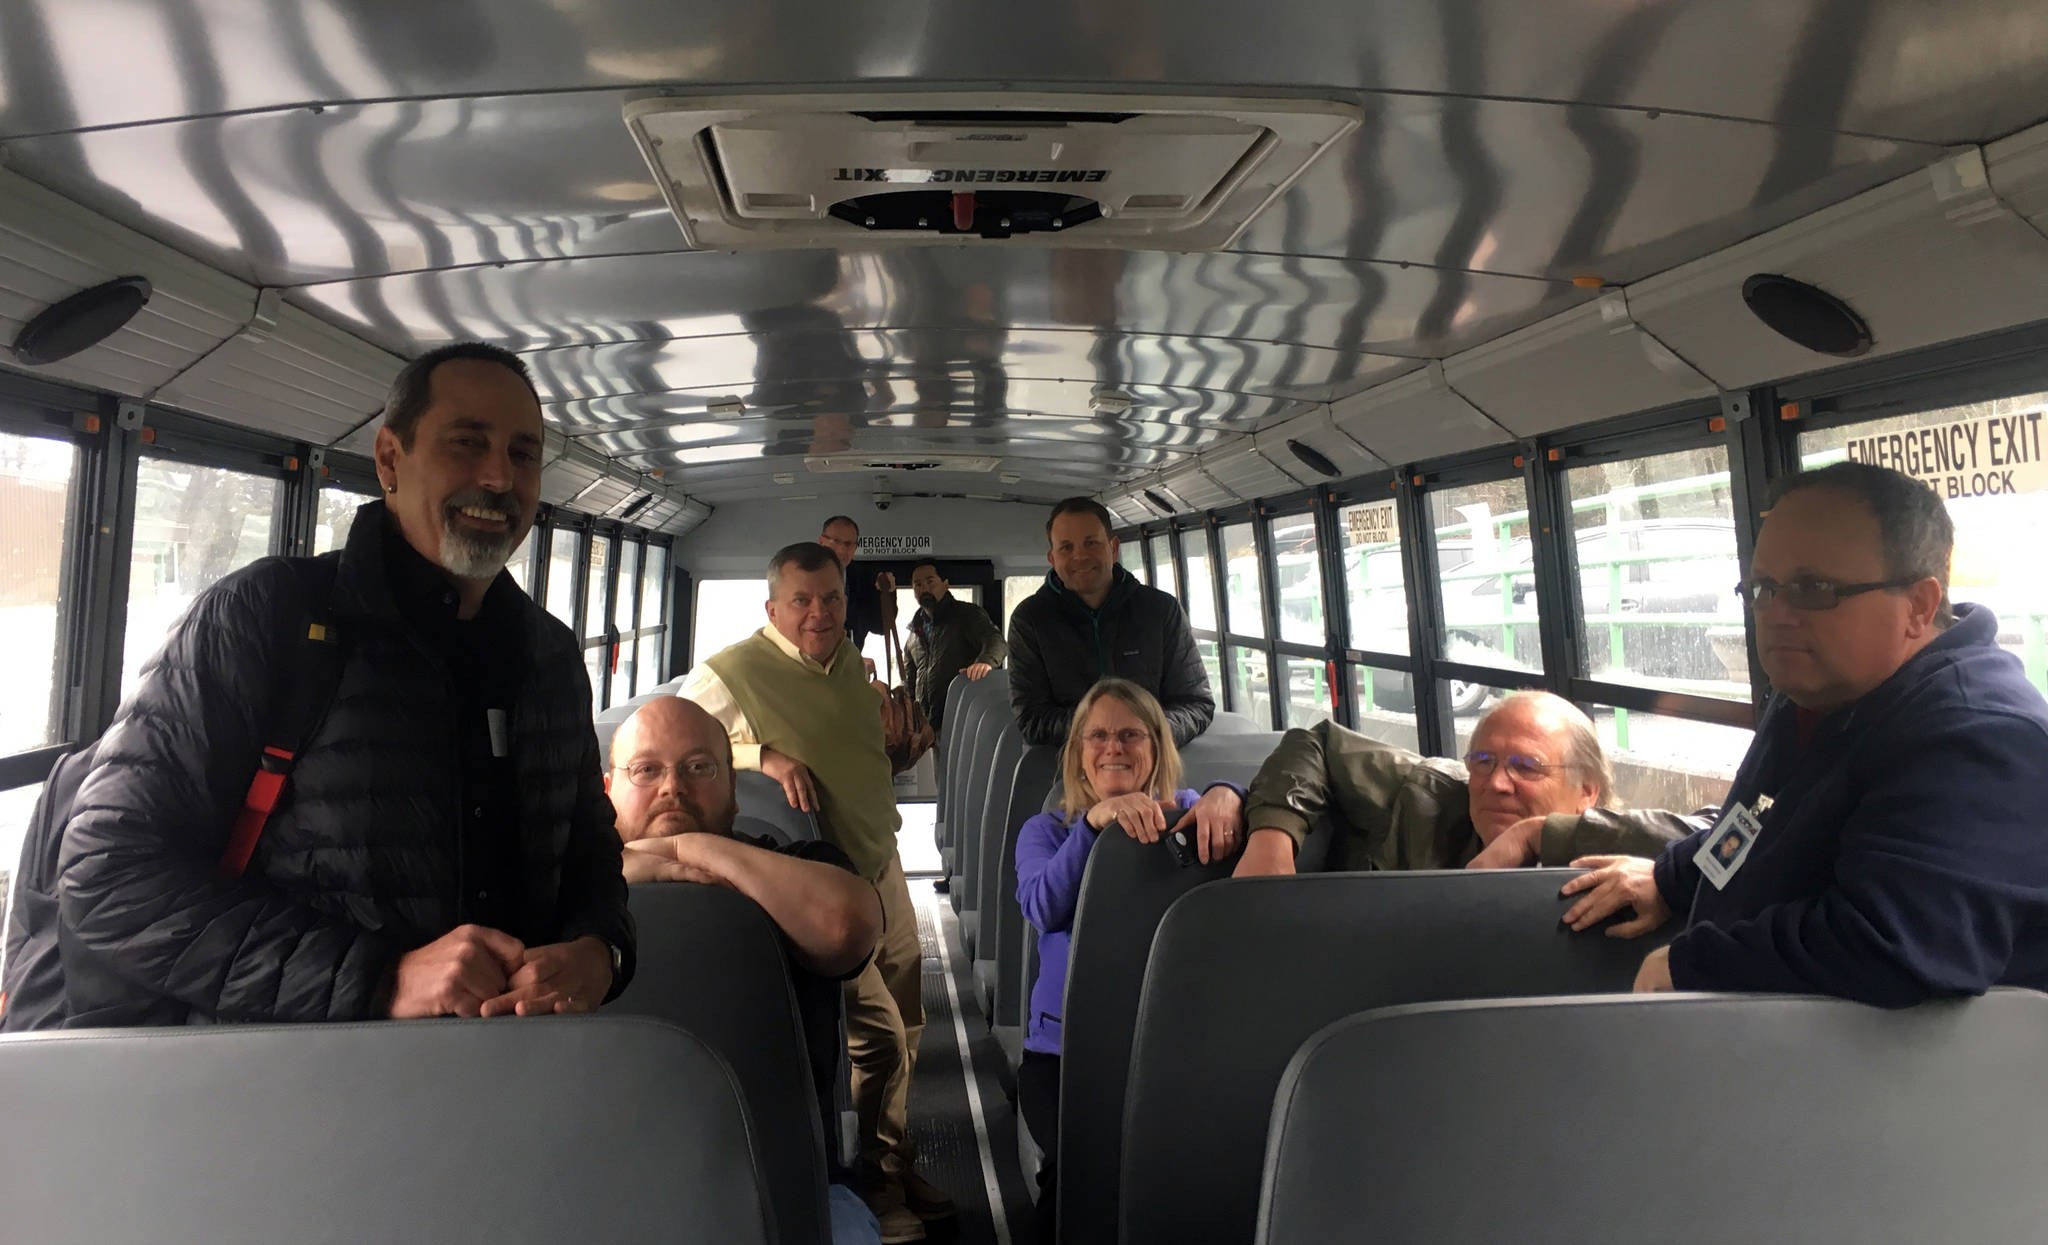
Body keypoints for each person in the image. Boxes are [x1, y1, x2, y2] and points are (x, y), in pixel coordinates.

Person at [43, 341, 633, 1027]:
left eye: (523, 453)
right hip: (293, 1094)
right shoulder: (269, 618)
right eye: (467, 443)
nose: (500, 477)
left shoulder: (552, 657)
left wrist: (603, 952)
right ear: (390, 459)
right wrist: (381, 979)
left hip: (509, 1083)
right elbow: (108, 875)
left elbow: (591, 855)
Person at [1561, 462, 2048, 1005]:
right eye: (1764, 588)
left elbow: (1892, 944)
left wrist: (1689, 964)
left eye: (1813, 589)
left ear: (1918, 606)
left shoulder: (1976, 736)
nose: (1777, 614)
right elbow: (1759, 827)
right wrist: (1673, 879)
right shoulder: (1821, 690)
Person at [678, 541, 954, 1242]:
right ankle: (868, 1182)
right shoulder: (730, 673)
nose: (818, 613)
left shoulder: (851, 673)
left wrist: (902, 754)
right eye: (801, 600)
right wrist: (760, 755)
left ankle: (891, 1166)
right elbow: (677, 744)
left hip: (882, 861)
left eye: (831, 598)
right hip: (819, 884)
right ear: (772, 606)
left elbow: (862, 762)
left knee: (910, 1023)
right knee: (880, 1038)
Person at [605, 696, 885, 1245]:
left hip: (789, 1182)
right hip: (609, 1186)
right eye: (647, 770)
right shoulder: (564, 893)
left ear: (732, 787)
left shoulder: (800, 863)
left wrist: (687, 847)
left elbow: (845, 929)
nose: (673, 788)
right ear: (607, 787)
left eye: (698, 767)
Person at [1013, 678, 1246, 1242]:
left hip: (1173, 1049)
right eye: (1097, 736)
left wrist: (1228, 793)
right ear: (1078, 756)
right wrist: (1095, 826)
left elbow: (1246, 813)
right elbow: (1042, 906)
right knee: (1077, 1177)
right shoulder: (1047, 831)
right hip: (1064, 1055)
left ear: (1157, 749)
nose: (1112, 747)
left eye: (1129, 734)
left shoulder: (1191, 816)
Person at [1233, 690, 1690, 878]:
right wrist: (1272, 836)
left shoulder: (1626, 849)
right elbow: (1316, 743)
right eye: (1483, 761)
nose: (1496, 783)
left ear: (1588, 790)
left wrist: (1538, 836)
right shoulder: (1428, 795)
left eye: (1526, 766)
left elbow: (1725, 837)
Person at [1008, 497, 1215, 747]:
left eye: (1091, 543)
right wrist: (1106, 731)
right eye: (1066, 547)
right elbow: (1032, 719)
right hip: (1067, 771)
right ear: (1052, 558)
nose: (1080, 556)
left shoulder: (1160, 610)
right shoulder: (1030, 620)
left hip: (1154, 764)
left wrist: (1148, 735)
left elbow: (1195, 704)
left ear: (1113, 547)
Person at [903, 560, 1007, 731]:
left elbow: (996, 641)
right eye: (918, 584)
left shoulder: (967, 615)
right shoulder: (914, 633)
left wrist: (985, 662)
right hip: (925, 729)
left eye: (930, 582)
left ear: (945, 584)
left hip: (964, 725)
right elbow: (910, 683)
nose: (924, 588)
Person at [818, 514, 896, 652]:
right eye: (836, 541)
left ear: (855, 548)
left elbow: (881, 627)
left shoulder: (865, 579)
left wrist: (888, 593)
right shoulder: (802, 575)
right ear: (821, 542)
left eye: (848, 544)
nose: (842, 550)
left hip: (849, 664)